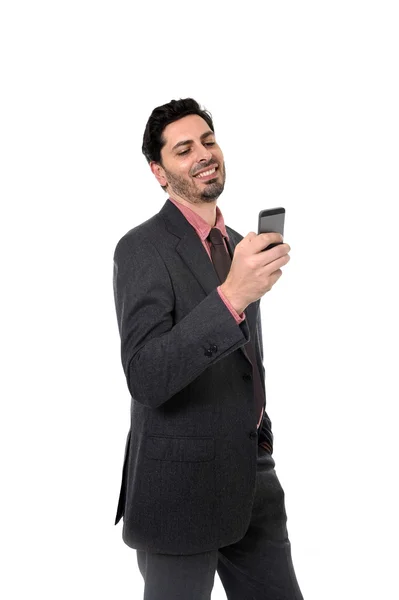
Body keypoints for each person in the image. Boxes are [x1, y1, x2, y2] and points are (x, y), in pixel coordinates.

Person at [112, 98, 304, 599]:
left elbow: (244, 365)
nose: (203, 154)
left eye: (209, 141)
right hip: (178, 489)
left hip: (252, 478)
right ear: (159, 172)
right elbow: (147, 376)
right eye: (183, 149)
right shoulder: (141, 248)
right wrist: (233, 295)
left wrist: (261, 437)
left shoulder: (240, 244)